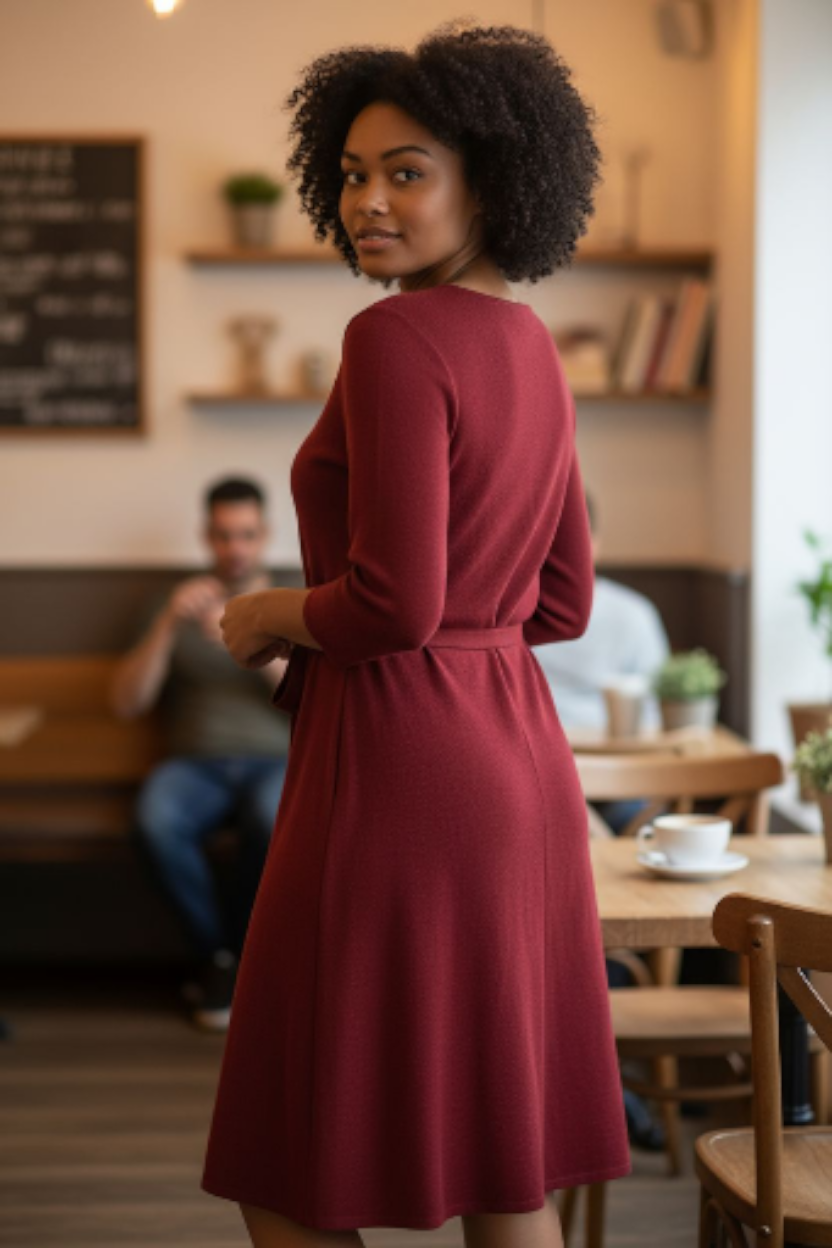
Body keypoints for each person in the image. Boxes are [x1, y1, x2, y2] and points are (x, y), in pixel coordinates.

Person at [200, 21, 632, 1248]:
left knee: (286, 1143)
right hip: (516, 763)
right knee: (502, 1156)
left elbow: (392, 604)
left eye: (406, 171)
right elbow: (563, 603)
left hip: (394, 762)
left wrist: (268, 615)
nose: (368, 201)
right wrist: (464, 630)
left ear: (489, 182)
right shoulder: (532, 346)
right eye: (350, 174)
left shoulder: (391, 338)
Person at [110, 476, 291, 1032]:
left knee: (275, 820)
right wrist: (168, 624)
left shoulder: (290, 604)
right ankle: (221, 956)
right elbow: (126, 703)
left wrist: (254, 644)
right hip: (194, 763)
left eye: (246, 534)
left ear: (265, 535)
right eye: (223, 535)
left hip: (273, 759)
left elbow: (314, 702)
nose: (235, 548)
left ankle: (232, 961)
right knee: (155, 818)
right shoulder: (175, 604)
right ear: (206, 536)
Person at [535, 490, 671, 835]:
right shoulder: (505, 619)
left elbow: (657, 715)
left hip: (614, 780)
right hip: (538, 778)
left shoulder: (633, 614)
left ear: (594, 544)